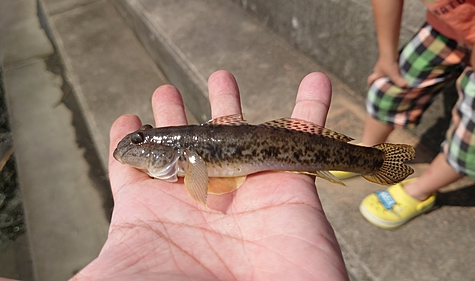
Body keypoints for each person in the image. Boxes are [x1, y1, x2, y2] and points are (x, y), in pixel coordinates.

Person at [63, 70, 348, 280]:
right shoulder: (181, 152)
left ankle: (369, 160)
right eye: (141, 139)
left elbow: (198, 174)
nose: (138, 145)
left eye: (141, 140)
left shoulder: (186, 153)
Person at [334, 0, 475, 229]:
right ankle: (367, 154)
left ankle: (421, 191)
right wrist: (387, 56)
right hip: (448, 28)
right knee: (387, 88)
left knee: (474, 137)